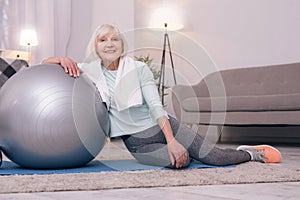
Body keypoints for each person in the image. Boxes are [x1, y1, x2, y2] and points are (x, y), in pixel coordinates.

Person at [42, 24, 282, 169]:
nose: (110, 44)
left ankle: (251, 153)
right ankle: (190, 154)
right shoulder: (91, 70)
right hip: (136, 143)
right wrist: (61, 59)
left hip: (164, 127)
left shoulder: (138, 69)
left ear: (122, 44)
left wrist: (171, 140)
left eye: (115, 38)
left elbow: (156, 106)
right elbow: (44, 63)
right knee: (179, 163)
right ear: (96, 46)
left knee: (216, 158)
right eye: (103, 39)